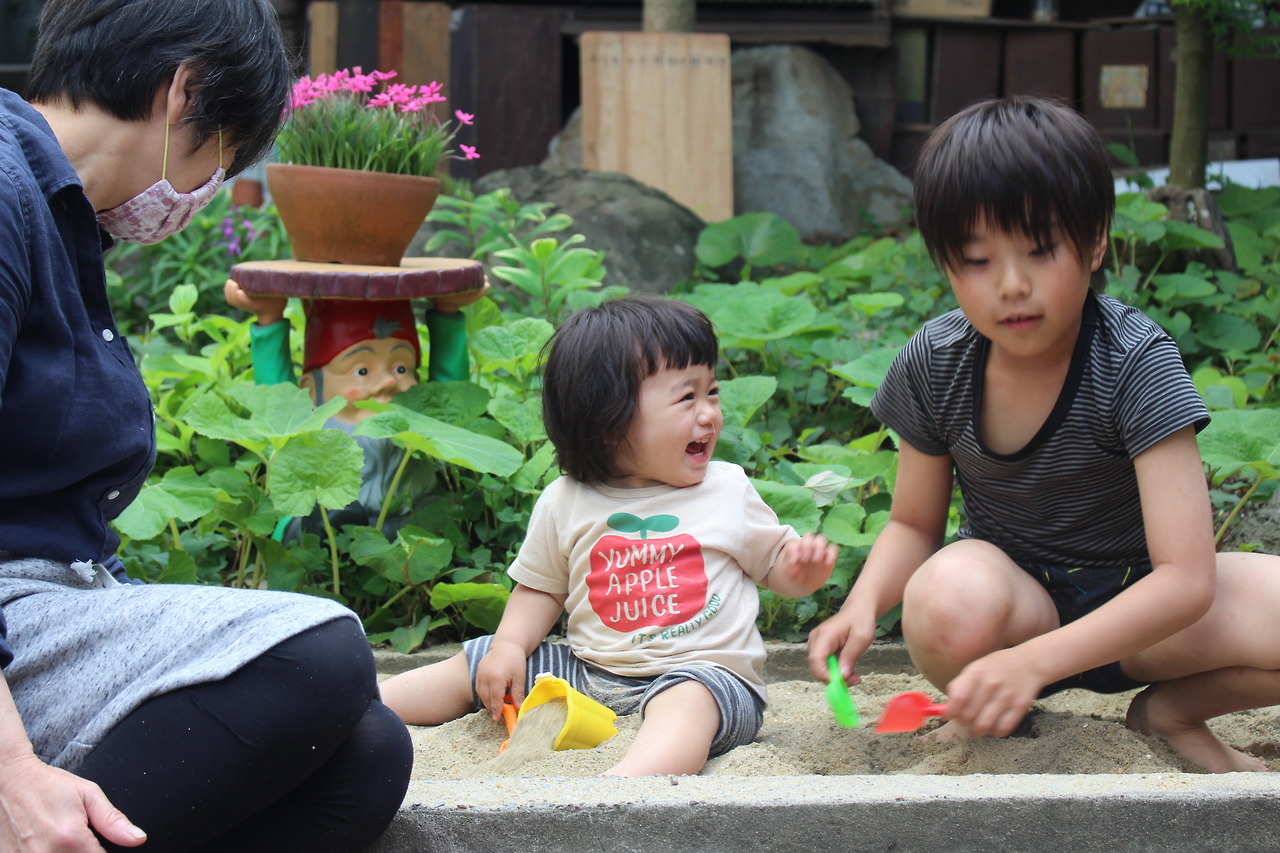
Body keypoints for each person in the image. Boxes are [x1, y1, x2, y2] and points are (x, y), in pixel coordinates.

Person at [0, 2, 412, 850]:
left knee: (367, 753)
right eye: (222, 158)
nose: (207, 192)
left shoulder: (59, 215)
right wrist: (9, 771)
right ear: (184, 92)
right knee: (318, 657)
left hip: (54, 603)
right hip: (14, 614)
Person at [806, 96, 1280, 774]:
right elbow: (913, 522)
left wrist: (1035, 662)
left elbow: (1186, 579)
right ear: (946, 265)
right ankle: (1003, 717)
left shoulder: (1134, 358)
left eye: (1039, 249)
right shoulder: (936, 360)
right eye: (976, 259)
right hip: (1010, 612)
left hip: (1145, 615)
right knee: (941, 596)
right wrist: (859, 606)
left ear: (1094, 242)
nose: (1012, 285)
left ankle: (1172, 711)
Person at [380, 295, 837, 776]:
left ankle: (623, 788)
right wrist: (510, 648)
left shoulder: (727, 489)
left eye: (712, 392)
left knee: (686, 699)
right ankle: (362, 705)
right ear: (608, 423)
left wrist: (799, 570)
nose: (709, 414)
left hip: (709, 677)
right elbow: (541, 587)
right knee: (478, 661)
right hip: (590, 673)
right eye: (687, 397)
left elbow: (774, 564)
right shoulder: (566, 500)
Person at [223, 282, 487, 538]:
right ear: (311, 390)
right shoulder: (312, 429)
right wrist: (269, 320)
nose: (388, 381)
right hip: (330, 530)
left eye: (401, 368)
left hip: (415, 526)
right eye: (362, 371)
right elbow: (276, 404)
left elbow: (450, 399)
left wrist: (447, 314)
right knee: (306, 531)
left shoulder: (417, 422)